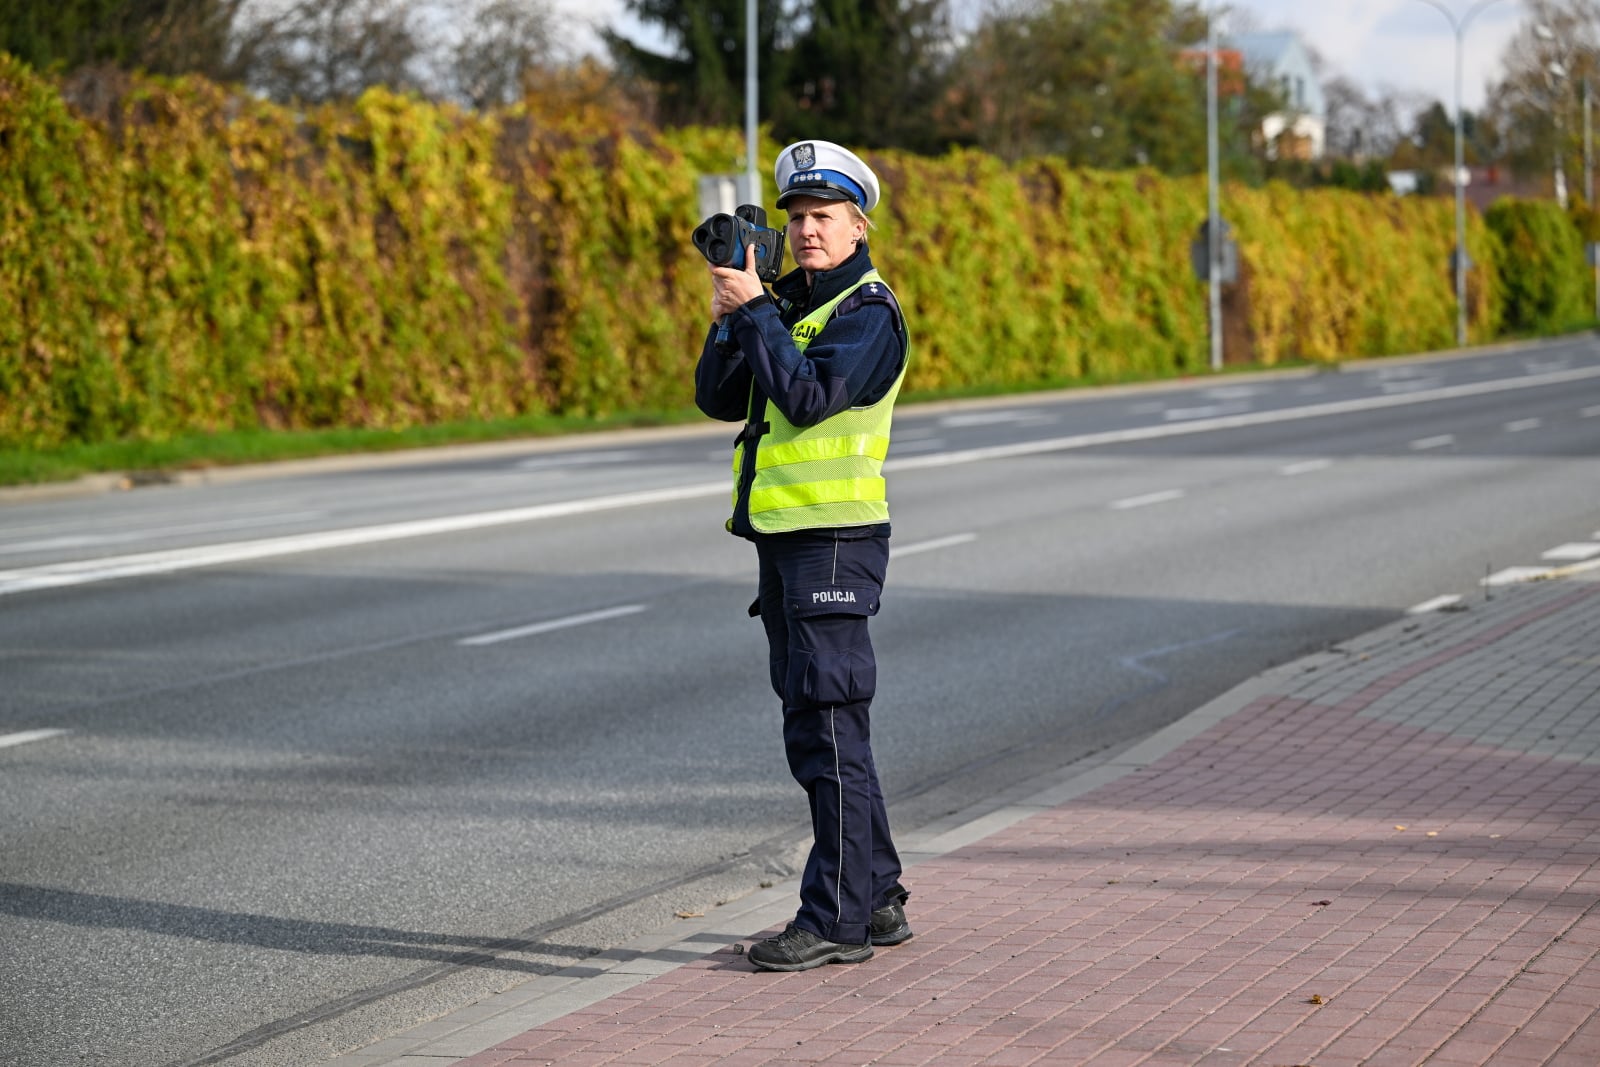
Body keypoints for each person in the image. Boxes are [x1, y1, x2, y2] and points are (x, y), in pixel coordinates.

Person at [695, 140, 913, 973]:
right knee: (821, 726)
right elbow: (718, 399)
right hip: (788, 544)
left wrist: (759, 313)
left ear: (858, 226)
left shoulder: (868, 312)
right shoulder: (789, 303)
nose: (807, 231)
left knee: (827, 731)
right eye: (797, 219)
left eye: (823, 217)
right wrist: (733, 312)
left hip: (834, 543)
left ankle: (835, 919)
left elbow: (809, 396)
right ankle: (877, 895)